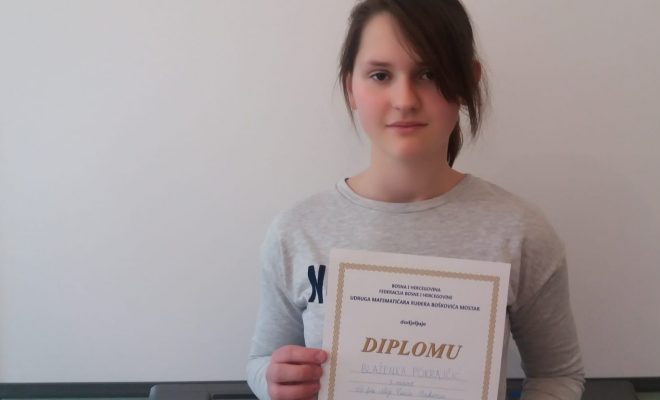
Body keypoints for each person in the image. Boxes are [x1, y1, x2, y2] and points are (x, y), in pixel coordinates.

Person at [246, 1, 585, 399]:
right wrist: (274, 380)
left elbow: (557, 376)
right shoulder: (297, 231)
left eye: (429, 73)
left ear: (468, 81)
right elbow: (261, 360)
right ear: (350, 86)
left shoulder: (520, 232)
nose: (405, 99)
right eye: (380, 75)